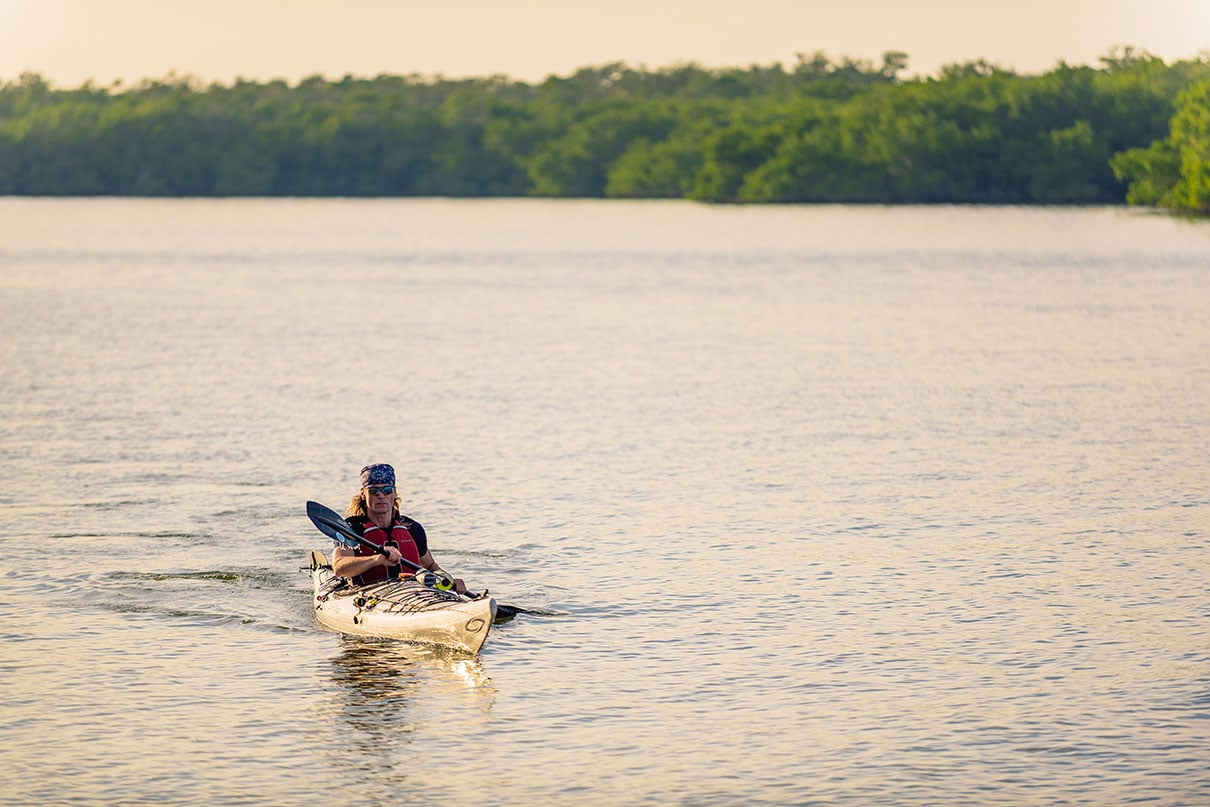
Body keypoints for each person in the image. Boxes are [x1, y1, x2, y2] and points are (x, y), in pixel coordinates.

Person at [332, 463, 467, 594]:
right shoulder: (350, 529)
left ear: (394, 493)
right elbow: (339, 567)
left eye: (387, 490)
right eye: (374, 491)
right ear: (363, 494)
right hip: (369, 595)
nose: (381, 495)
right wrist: (376, 559)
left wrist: (450, 581)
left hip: (411, 594)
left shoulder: (412, 528)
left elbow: (430, 566)